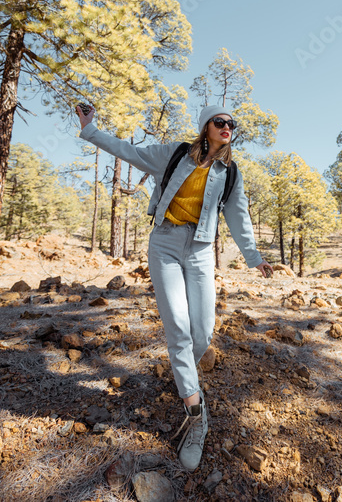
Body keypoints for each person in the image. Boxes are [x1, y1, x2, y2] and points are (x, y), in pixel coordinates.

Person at [75, 103, 273, 471]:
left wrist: (254, 255)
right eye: (220, 121)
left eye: (232, 124)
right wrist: (91, 130)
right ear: (206, 127)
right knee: (179, 331)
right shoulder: (176, 153)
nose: (227, 127)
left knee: (202, 333)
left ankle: (184, 378)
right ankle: (196, 417)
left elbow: (238, 214)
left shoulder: (229, 172)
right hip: (164, 244)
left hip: (200, 252)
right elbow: (130, 152)